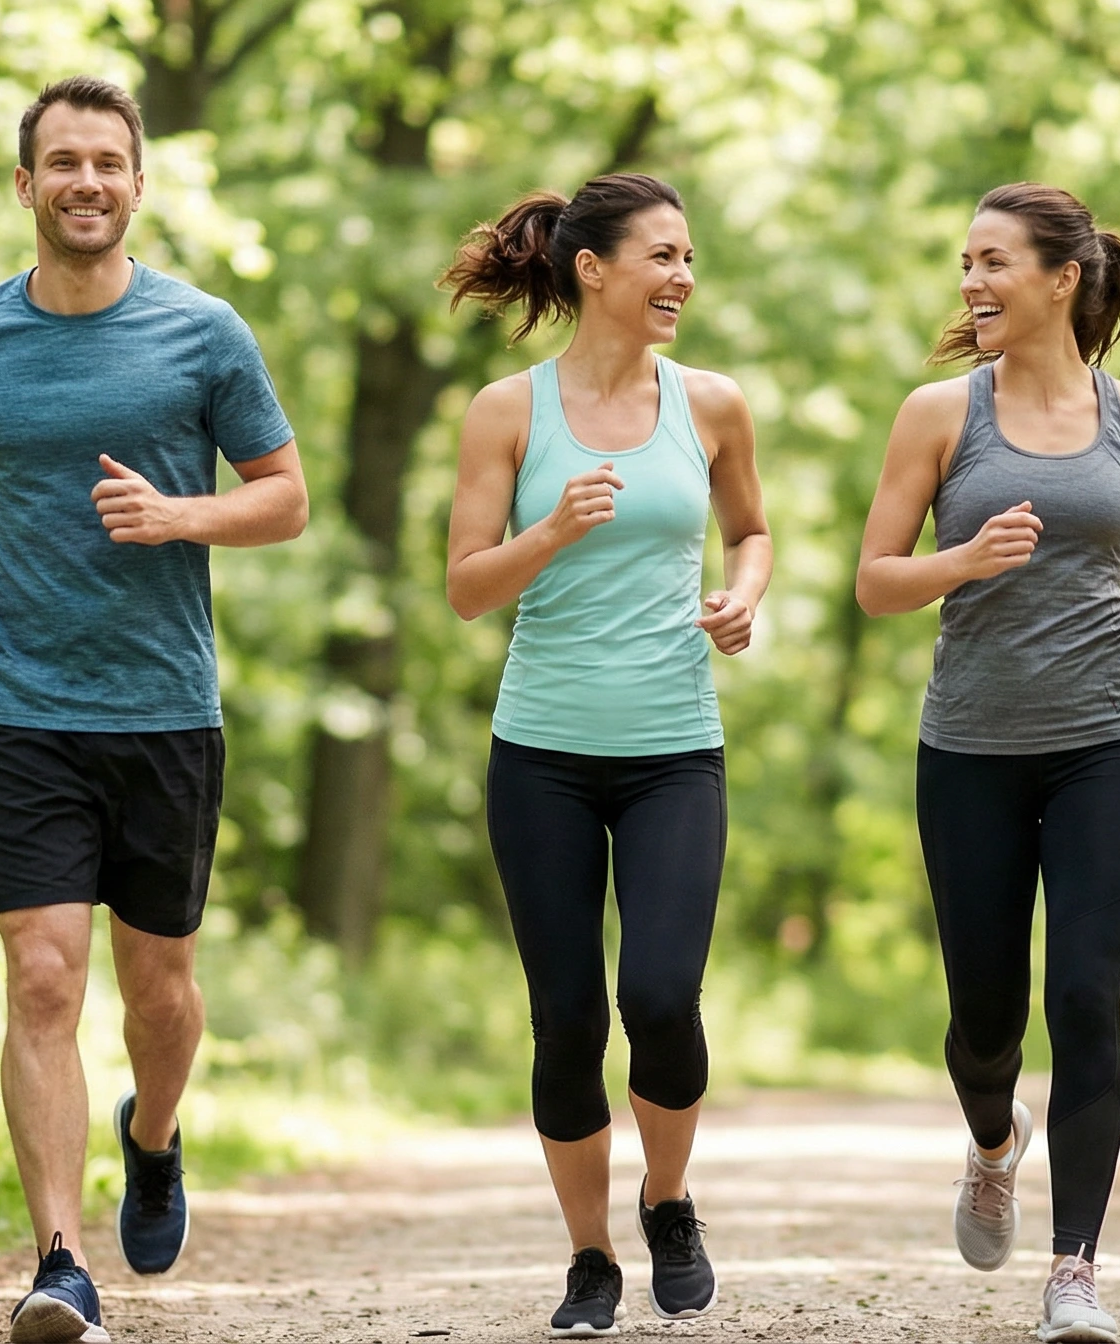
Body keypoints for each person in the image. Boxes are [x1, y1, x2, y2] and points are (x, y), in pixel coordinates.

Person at [0, 76, 307, 1344]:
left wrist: (184, 515)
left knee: (161, 988)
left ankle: (155, 1132)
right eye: (60, 163)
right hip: (18, 703)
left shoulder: (205, 334)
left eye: (107, 163)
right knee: (41, 978)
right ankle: (62, 1262)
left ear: (138, 183)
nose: (85, 183)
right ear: (26, 186)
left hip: (164, 707)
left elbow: (285, 497)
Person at [854, 183, 1120, 1344]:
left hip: (1105, 739)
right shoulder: (939, 414)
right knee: (984, 1019)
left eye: (994, 261)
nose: (972, 282)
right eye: (965, 262)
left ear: (1064, 277)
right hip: (971, 749)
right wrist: (962, 562)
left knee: (1087, 998)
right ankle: (995, 1140)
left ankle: (1076, 1269)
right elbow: (873, 580)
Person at [439, 172, 773, 1340]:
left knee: (664, 997)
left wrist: (741, 600)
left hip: (676, 747)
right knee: (568, 1016)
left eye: (689, 258)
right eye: (664, 256)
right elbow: (466, 590)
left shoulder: (714, 403)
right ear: (594, 269)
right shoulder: (507, 411)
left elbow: (752, 532)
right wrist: (552, 529)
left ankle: (667, 1201)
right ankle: (590, 1258)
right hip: (542, 752)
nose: (684, 277)